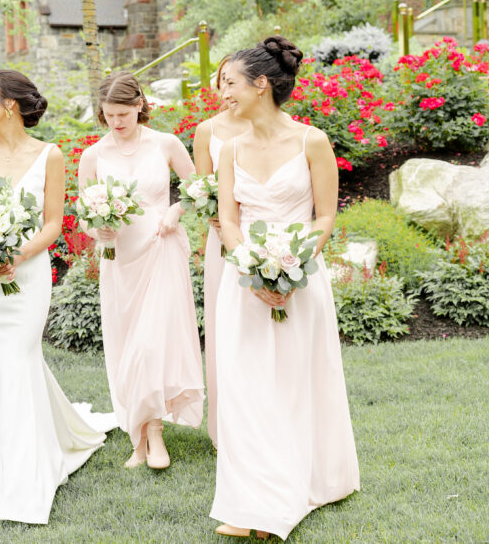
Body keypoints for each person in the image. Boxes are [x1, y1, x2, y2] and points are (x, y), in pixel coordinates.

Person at [211, 37, 359, 540]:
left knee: (298, 383)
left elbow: (325, 215)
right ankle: (253, 496)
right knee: (245, 387)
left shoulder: (312, 141)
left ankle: (304, 483)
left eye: (229, 83)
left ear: (262, 84)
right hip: (244, 284)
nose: (222, 92)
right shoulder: (228, 149)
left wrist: (292, 268)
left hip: (302, 280)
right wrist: (252, 270)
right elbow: (228, 220)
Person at [0, 69, 116, 525]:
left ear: (9, 104)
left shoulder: (50, 155)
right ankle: (0, 447)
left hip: (26, 277)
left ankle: (23, 472)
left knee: (17, 357)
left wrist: (17, 253)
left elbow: (52, 223)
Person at [77, 72, 203, 470]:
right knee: (125, 344)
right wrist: (96, 228)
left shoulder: (165, 143)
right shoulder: (93, 155)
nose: (116, 121)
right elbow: (82, 215)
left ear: (139, 106)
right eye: (109, 114)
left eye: (123, 113)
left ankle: (154, 435)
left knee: (151, 343)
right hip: (118, 257)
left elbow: (199, 186)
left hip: (161, 247)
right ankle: (138, 433)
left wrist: (175, 209)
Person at [190, 56, 250, 449]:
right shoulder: (207, 131)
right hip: (221, 240)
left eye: (233, 82)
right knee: (225, 326)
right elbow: (200, 187)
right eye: (222, 82)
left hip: (265, 230)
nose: (227, 91)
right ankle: (226, 425)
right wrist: (214, 213)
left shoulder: (273, 127)